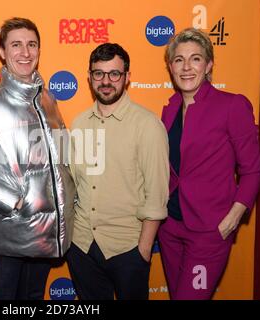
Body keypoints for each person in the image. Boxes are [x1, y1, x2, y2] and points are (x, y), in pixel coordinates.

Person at [0, 17, 76, 300]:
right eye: (16, 45)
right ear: (2, 51)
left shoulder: (48, 100)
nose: (25, 52)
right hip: (8, 232)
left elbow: (62, 156)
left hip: (45, 232)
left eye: (32, 45)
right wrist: (16, 202)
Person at [158, 28, 260, 300]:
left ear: (209, 64)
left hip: (209, 231)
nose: (186, 67)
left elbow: (252, 171)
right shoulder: (169, 108)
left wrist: (231, 220)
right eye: (179, 60)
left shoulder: (232, 106)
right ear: (171, 66)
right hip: (170, 227)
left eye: (195, 58)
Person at [66, 43, 169, 300]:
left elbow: (156, 193)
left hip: (127, 250)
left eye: (114, 74)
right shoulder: (78, 123)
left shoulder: (147, 126)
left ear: (127, 77)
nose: (106, 81)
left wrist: (143, 251)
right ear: (89, 78)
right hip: (82, 246)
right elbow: (72, 183)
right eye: (99, 74)